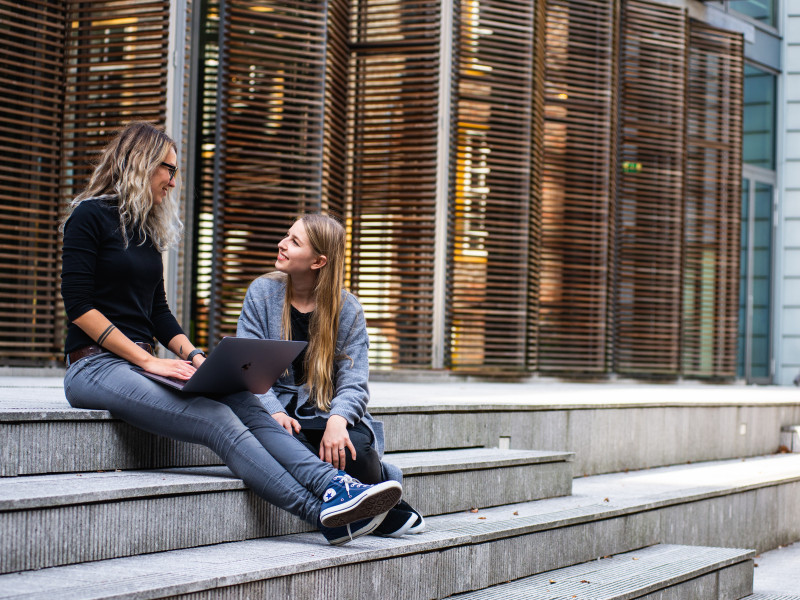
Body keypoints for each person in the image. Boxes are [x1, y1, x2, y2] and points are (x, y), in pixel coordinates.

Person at [59, 121, 402, 546]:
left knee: (241, 397)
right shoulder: (88, 216)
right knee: (217, 418)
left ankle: (334, 486)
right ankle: (321, 513)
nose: (173, 179)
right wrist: (148, 359)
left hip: (142, 365)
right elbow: (78, 307)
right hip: (94, 366)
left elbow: (159, 314)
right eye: (169, 168)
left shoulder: (145, 232)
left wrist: (199, 359)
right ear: (141, 163)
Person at [237, 213, 425, 537]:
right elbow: (247, 365)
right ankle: (386, 510)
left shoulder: (347, 308)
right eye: (287, 235)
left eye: (294, 242)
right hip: (279, 409)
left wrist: (338, 420)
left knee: (357, 449)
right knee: (285, 443)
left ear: (318, 261)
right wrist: (274, 410)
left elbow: (355, 380)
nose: (281, 244)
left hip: (326, 410)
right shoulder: (262, 293)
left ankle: (372, 496)